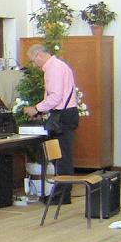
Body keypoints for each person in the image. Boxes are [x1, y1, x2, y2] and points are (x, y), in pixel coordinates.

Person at [22, 43, 78, 204]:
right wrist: (42, 112)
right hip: (65, 114)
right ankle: (61, 193)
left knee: (62, 158)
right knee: (60, 157)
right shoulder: (58, 66)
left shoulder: (54, 68)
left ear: (39, 55)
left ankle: (62, 195)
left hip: (63, 117)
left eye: (33, 61)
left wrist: (35, 109)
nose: (34, 65)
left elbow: (55, 97)